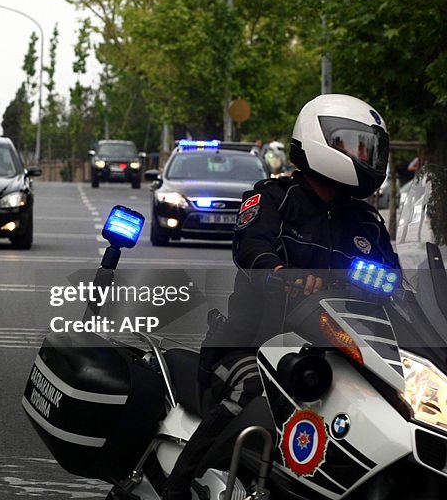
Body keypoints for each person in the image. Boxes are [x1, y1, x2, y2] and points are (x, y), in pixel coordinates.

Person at [162, 94, 400, 500]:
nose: (363, 156)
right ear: (318, 140)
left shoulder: (367, 222)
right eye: (353, 144)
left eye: (368, 147)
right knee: (248, 390)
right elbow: (251, 244)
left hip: (337, 354)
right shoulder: (272, 197)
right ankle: (177, 487)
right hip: (253, 346)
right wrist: (278, 272)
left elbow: (397, 284)